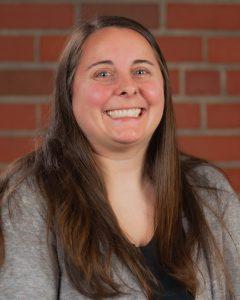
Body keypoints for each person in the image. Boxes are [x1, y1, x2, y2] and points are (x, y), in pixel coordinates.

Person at [0, 15, 239, 300]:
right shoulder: (29, 196)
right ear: (69, 92)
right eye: (103, 74)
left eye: (141, 71)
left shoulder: (208, 191)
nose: (127, 87)